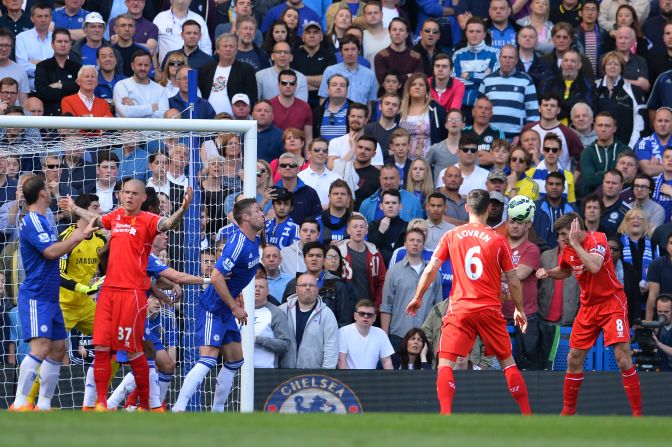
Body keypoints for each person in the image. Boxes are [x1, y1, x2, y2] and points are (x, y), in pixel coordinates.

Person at [60, 179, 193, 411]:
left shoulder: (149, 220)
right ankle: (99, 403)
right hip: (108, 292)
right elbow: (98, 220)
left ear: (143, 198)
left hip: (132, 295)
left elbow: (168, 223)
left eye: (134, 193)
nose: (129, 196)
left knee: (134, 350)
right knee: (101, 346)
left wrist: (182, 209)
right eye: (126, 192)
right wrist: (74, 208)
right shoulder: (117, 216)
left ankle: (147, 403)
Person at [407, 189, 531, 415]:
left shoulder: (452, 235)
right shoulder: (498, 240)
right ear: (488, 210)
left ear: (467, 208)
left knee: (446, 363)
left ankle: (445, 414)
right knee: (507, 362)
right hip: (489, 309)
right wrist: (519, 309)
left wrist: (418, 297)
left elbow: (430, 270)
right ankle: (527, 414)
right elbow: (513, 280)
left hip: (460, 308)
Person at [536, 213, 642, 416]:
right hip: (588, 307)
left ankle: (637, 414)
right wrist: (548, 273)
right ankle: (568, 411)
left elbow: (594, 266)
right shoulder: (567, 249)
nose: (562, 239)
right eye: (560, 235)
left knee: (623, 358)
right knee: (574, 358)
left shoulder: (598, 239)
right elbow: (566, 271)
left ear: (577, 228)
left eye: (565, 233)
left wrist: (575, 244)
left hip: (612, 302)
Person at [9, 176, 97, 411]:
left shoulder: (44, 220)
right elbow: (50, 251)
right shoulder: (33, 221)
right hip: (37, 296)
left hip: (51, 296)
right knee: (40, 347)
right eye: (48, 188)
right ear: (42, 194)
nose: (51, 190)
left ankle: (44, 405)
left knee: (58, 349)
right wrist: (80, 236)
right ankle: (20, 403)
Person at [171, 198, 262, 412]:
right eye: (258, 210)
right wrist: (234, 306)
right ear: (246, 217)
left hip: (226, 307)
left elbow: (236, 275)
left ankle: (217, 412)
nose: (262, 213)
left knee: (235, 360)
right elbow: (216, 276)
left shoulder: (255, 240)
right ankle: (179, 408)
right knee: (209, 358)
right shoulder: (238, 243)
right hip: (213, 307)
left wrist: (237, 294)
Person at [381, 228, 442, 350]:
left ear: (423, 245)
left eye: (419, 241)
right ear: (405, 244)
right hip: (399, 335)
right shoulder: (393, 272)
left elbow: (438, 307)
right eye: (411, 240)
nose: (415, 243)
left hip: (426, 336)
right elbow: (386, 306)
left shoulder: (433, 273)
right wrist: (384, 337)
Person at [479, 44, 539, 141]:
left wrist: (523, 137)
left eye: (511, 58)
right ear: (499, 59)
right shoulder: (487, 81)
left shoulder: (526, 80)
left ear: (516, 60)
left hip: (515, 138)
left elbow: (534, 114)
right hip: (490, 137)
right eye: (504, 57)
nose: (507, 61)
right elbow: (478, 110)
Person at [279, 273, 339, 368]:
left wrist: (327, 374)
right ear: (296, 289)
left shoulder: (327, 314)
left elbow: (331, 347)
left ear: (317, 289)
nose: (307, 288)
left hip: (314, 376)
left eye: (311, 285)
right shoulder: (282, 310)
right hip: (284, 374)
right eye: (303, 285)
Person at [198, 34, 257, 116]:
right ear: (217, 50)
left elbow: (252, 96)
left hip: (234, 121)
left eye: (231, 46)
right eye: (225, 46)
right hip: (208, 119)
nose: (228, 49)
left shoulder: (246, 69)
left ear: (236, 50)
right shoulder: (206, 69)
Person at [452, 17, 500, 115]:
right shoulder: (458, 54)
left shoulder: (495, 53)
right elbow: (454, 81)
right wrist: (482, 76)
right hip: (461, 106)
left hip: (484, 107)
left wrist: (470, 76)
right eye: (471, 31)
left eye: (478, 31)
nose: (474, 35)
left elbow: (492, 80)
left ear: (484, 34)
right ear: (466, 33)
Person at [578, 112, 630, 196]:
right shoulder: (587, 152)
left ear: (614, 128)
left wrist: (598, 173)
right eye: (600, 125)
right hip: (592, 199)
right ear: (594, 127)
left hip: (620, 197)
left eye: (607, 126)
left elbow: (628, 177)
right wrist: (615, 172)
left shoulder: (625, 150)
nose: (603, 129)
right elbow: (590, 180)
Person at [34, 28, 81, 116]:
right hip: (49, 116)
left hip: (72, 116)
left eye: (66, 42)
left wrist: (60, 85)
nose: (63, 44)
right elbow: (42, 92)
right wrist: (69, 89)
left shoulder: (77, 67)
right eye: (59, 41)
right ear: (52, 44)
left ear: (71, 44)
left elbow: (80, 90)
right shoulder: (42, 66)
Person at [338, 299, 394, 369]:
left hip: (371, 378)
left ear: (374, 318)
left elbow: (386, 361)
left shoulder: (380, 333)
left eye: (369, 314)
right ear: (355, 316)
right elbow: (341, 360)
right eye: (362, 314)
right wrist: (345, 379)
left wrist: (391, 379)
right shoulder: (343, 332)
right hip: (349, 378)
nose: (365, 316)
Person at [113, 50, 168, 118]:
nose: (143, 68)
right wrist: (151, 108)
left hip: (152, 129)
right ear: (132, 66)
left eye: (146, 65)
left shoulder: (160, 90)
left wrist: (134, 109)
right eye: (140, 65)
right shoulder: (121, 85)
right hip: (128, 128)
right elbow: (126, 112)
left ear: (150, 66)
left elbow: (162, 116)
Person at [253, 273, 291, 368]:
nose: (257, 289)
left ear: (267, 291)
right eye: (254, 286)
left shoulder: (276, 312)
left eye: (261, 287)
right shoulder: (239, 311)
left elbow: (285, 344)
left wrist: (258, 340)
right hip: (240, 372)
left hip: (266, 371)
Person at [653, 295, 672, 370]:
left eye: (666, 312)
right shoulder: (656, 327)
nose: (662, 315)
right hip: (660, 371)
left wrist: (658, 344)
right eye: (659, 311)